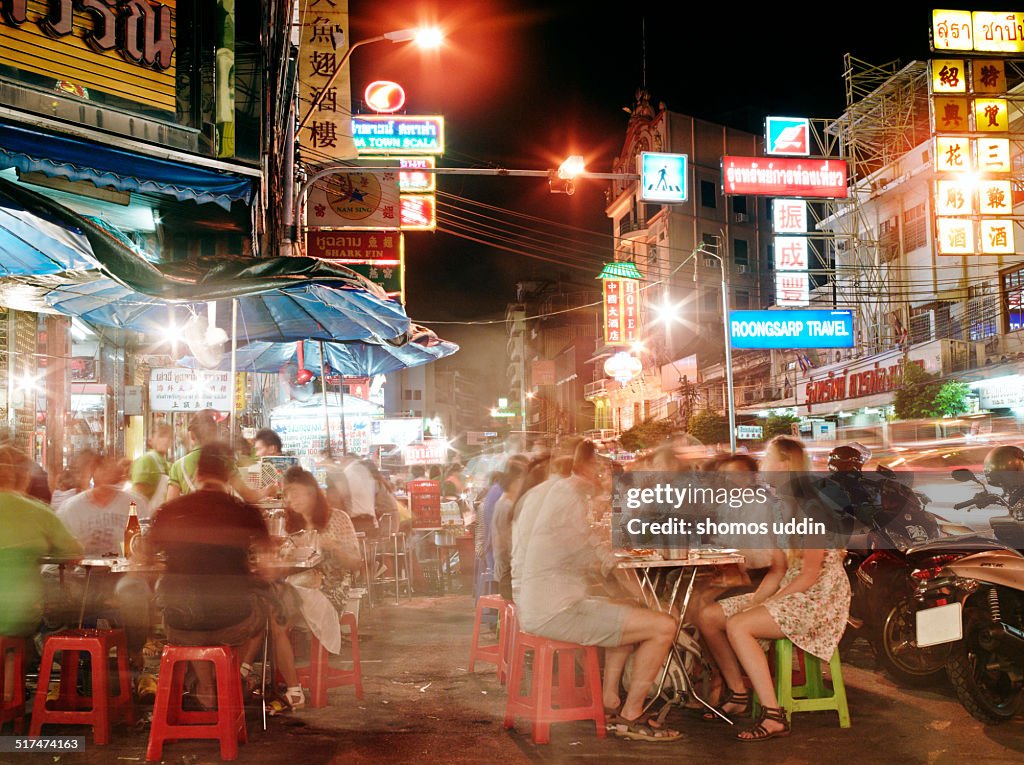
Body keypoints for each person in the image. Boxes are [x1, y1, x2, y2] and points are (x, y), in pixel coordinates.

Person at [512, 440, 681, 742]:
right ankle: (631, 714)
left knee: (629, 610)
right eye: (602, 469)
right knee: (663, 626)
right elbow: (597, 557)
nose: (607, 477)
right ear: (588, 467)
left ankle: (610, 699)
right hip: (555, 610)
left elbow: (593, 549)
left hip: (548, 601)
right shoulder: (570, 498)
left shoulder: (560, 494)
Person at [695, 436, 851, 742]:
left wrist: (765, 604)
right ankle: (738, 693)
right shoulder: (781, 508)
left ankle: (773, 715)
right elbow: (779, 569)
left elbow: (808, 574)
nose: (762, 464)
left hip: (819, 594)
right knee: (709, 616)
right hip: (790, 584)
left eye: (768, 458)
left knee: (740, 625)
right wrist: (758, 599)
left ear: (785, 465)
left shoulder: (812, 507)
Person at [143, 442, 276, 711]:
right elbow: (269, 569)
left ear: (196, 476)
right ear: (228, 477)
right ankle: (229, 677)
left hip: (179, 620)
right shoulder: (244, 511)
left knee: (194, 621)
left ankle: (205, 684)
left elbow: (142, 559)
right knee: (264, 605)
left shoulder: (169, 511)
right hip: (233, 619)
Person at [244, 467, 362, 713]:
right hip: (294, 586)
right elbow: (282, 567)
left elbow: (355, 563)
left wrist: (333, 547)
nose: (291, 500)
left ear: (312, 493)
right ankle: (286, 687)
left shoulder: (337, 518)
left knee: (272, 608)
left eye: (295, 493)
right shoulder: (288, 524)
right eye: (286, 494)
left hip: (329, 590)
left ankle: (247, 673)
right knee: (264, 603)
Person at [0, 445, 83, 639]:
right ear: (19, 478)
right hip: (18, 612)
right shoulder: (37, 511)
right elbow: (75, 551)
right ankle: (16, 664)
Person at [165, 411, 269, 503]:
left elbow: (170, 503)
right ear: (215, 434)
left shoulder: (178, 466)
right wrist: (268, 490)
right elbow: (249, 496)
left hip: (191, 521)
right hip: (221, 518)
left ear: (192, 435)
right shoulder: (223, 461)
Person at [57, 455, 152, 555]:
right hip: (82, 570)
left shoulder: (137, 504)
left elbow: (146, 545)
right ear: (92, 473)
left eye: (108, 468)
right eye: (102, 467)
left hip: (124, 569)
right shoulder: (70, 508)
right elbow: (60, 550)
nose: (106, 474)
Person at [489, 458, 528, 601]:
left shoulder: (506, 503)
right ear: (517, 481)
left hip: (508, 571)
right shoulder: (505, 506)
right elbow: (509, 544)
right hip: (508, 576)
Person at [131, 422, 174, 508]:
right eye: (161, 436)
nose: (166, 440)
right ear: (150, 439)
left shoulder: (167, 464)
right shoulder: (146, 460)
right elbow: (137, 497)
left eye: (169, 437)